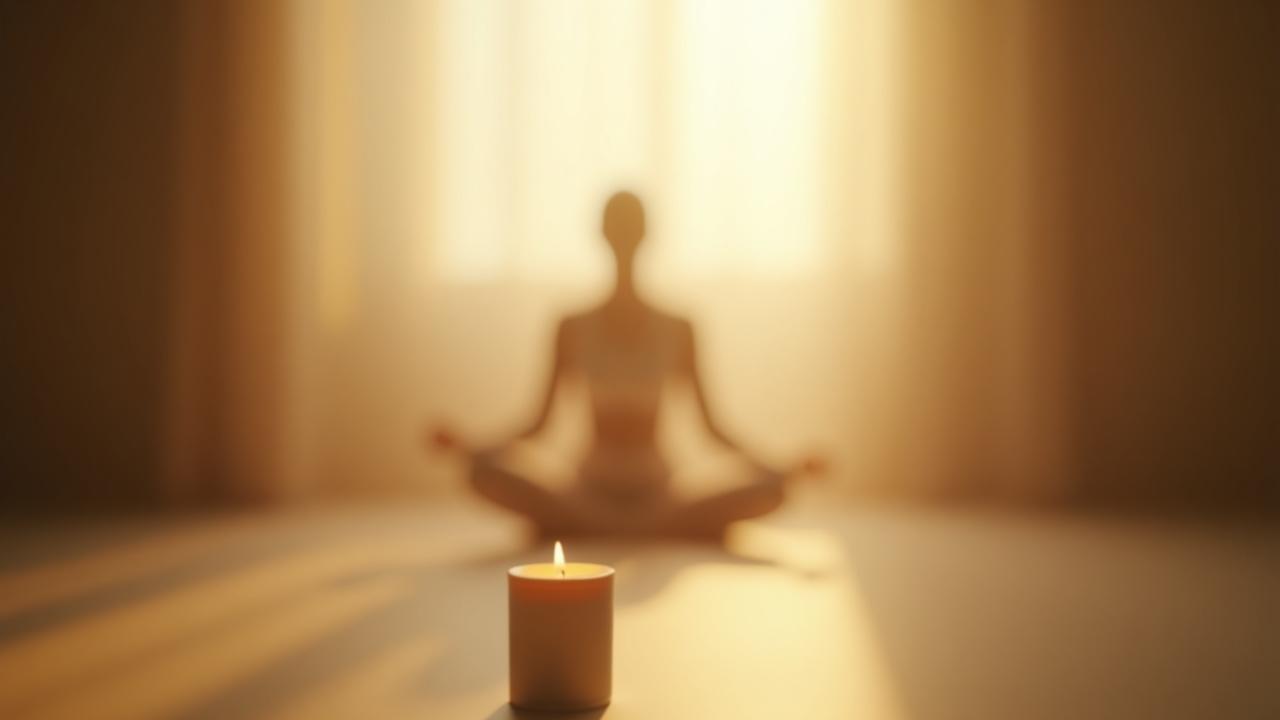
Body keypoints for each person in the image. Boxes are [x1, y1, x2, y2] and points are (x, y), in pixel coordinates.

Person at [430, 191, 822, 538]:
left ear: (647, 235)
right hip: (586, 490)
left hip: (660, 492)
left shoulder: (680, 327)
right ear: (601, 234)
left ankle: (603, 528)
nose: (624, 237)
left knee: (771, 490)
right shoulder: (571, 326)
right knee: (482, 476)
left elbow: (713, 429)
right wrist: (472, 449)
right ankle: (636, 528)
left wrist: (779, 466)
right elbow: (537, 424)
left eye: (630, 227)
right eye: (617, 227)